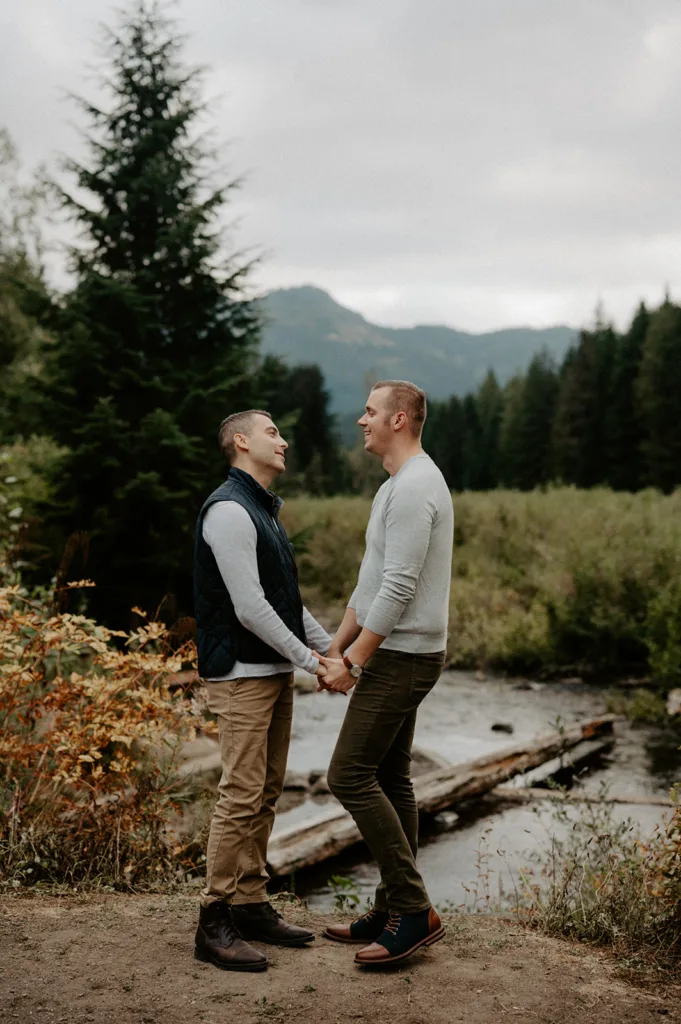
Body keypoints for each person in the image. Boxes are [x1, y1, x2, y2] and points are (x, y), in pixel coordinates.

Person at [317, 380, 454, 969]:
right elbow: (368, 583)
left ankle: (412, 909)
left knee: (348, 775)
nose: (361, 420)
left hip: (407, 655)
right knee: (391, 776)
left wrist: (354, 663)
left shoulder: (419, 483)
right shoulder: (393, 488)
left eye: (369, 412)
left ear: (399, 419)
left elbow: (398, 589)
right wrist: (334, 647)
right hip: (394, 651)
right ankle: (389, 908)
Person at [193, 409, 331, 972]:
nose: (284, 440)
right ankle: (214, 917)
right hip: (241, 673)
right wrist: (311, 663)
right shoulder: (229, 510)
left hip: (271, 671)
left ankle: (250, 902)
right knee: (241, 793)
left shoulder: (263, 511)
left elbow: (286, 604)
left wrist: (329, 654)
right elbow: (250, 608)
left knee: (268, 789)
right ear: (241, 441)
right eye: (272, 432)